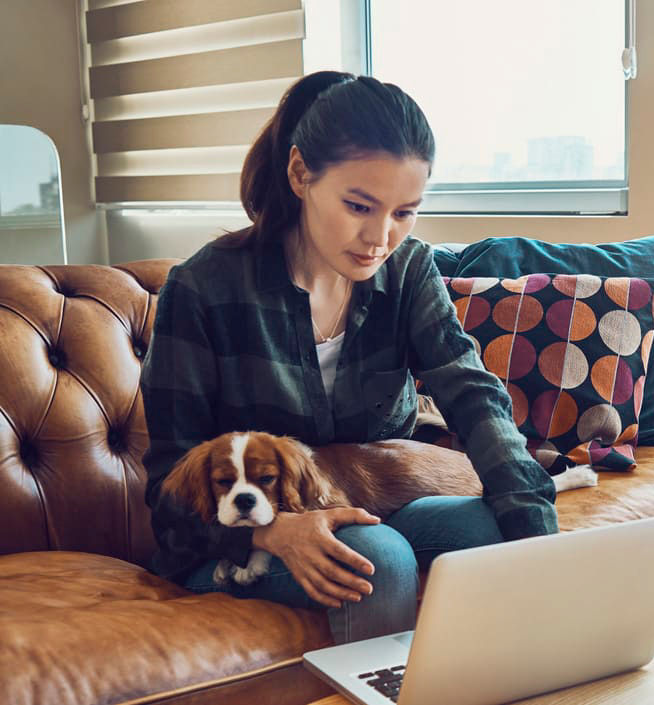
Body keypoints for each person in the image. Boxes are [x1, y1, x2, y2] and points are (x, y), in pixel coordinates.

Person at [139, 71, 558, 644]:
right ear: (299, 175)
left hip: (363, 511)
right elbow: (168, 487)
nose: (380, 237)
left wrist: (536, 522)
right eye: (359, 205)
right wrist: (271, 533)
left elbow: (471, 393)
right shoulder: (202, 289)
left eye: (404, 212)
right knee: (375, 558)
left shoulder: (409, 271)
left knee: (500, 528)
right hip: (234, 544)